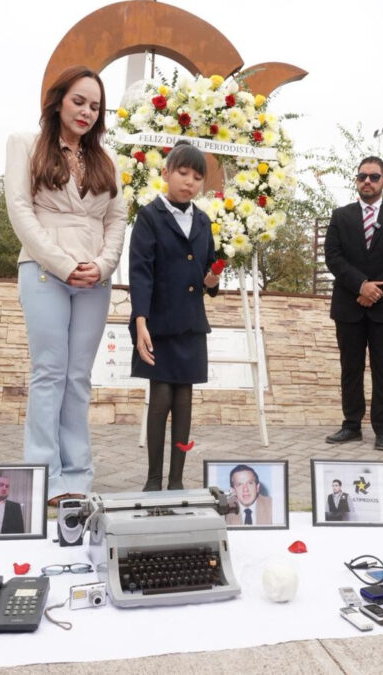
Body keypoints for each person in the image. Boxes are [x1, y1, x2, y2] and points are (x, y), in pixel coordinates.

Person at [5, 66, 126, 505]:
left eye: (95, 105)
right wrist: (61, 264)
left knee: (78, 378)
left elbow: (117, 219)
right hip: (43, 272)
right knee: (49, 373)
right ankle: (43, 475)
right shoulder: (25, 144)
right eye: (79, 101)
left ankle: (77, 475)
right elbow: (20, 210)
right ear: (58, 101)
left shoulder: (108, 158)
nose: (87, 112)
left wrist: (104, 264)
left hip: (95, 278)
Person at [128, 142, 220, 490]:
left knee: (184, 401)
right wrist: (140, 323)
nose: (190, 182)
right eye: (183, 173)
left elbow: (207, 271)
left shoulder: (203, 220)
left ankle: (177, 480)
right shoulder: (149, 217)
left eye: (198, 177)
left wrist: (212, 280)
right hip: (158, 324)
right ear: (166, 174)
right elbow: (140, 273)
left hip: (192, 324)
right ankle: (153, 479)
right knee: (162, 397)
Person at [323, 156, 383, 451]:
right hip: (349, 303)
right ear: (356, 180)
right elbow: (333, 256)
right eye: (362, 176)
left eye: (374, 177)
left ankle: (382, 429)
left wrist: (377, 288)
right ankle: (351, 425)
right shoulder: (341, 215)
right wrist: (360, 285)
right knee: (350, 367)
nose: (367, 181)